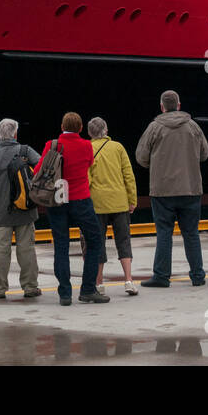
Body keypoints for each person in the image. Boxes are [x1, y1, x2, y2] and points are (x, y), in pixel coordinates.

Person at [136, 90, 208, 288]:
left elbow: (141, 158)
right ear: (178, 105)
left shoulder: (154, 128)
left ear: (162, 107)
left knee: (164, 233)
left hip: (163, 191)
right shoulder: (193, 126)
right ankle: (197, 275)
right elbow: (204, 154)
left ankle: (161, 276)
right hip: (191, 188)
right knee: (191, 233)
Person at [35, 112, 108, 305]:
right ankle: (87, 290)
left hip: (58, 199)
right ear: (81, 128)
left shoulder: (52, 145)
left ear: (61, 126)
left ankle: (65, 294)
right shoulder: (86, 145)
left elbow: (38, 171)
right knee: (94, 241)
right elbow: (90, 164)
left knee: (61, 245)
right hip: (81, 199)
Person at [0, 118, 41, 300]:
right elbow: (41, 169)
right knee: (27, 249)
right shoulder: (26, 151)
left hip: (0, 211)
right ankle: (30, 287)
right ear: (15, 134)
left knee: (1, 249)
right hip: (25, 209)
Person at [84, 117, 139, 296]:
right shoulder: (118, 147)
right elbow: (128, 175)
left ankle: (99, 283)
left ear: (90, 133)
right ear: (106, 131)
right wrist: (132, 200)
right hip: (119, 202)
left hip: (97, 204)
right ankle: (129, 280)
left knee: (97, 243)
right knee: (123, 241)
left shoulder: (88, 149)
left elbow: (88, 177)